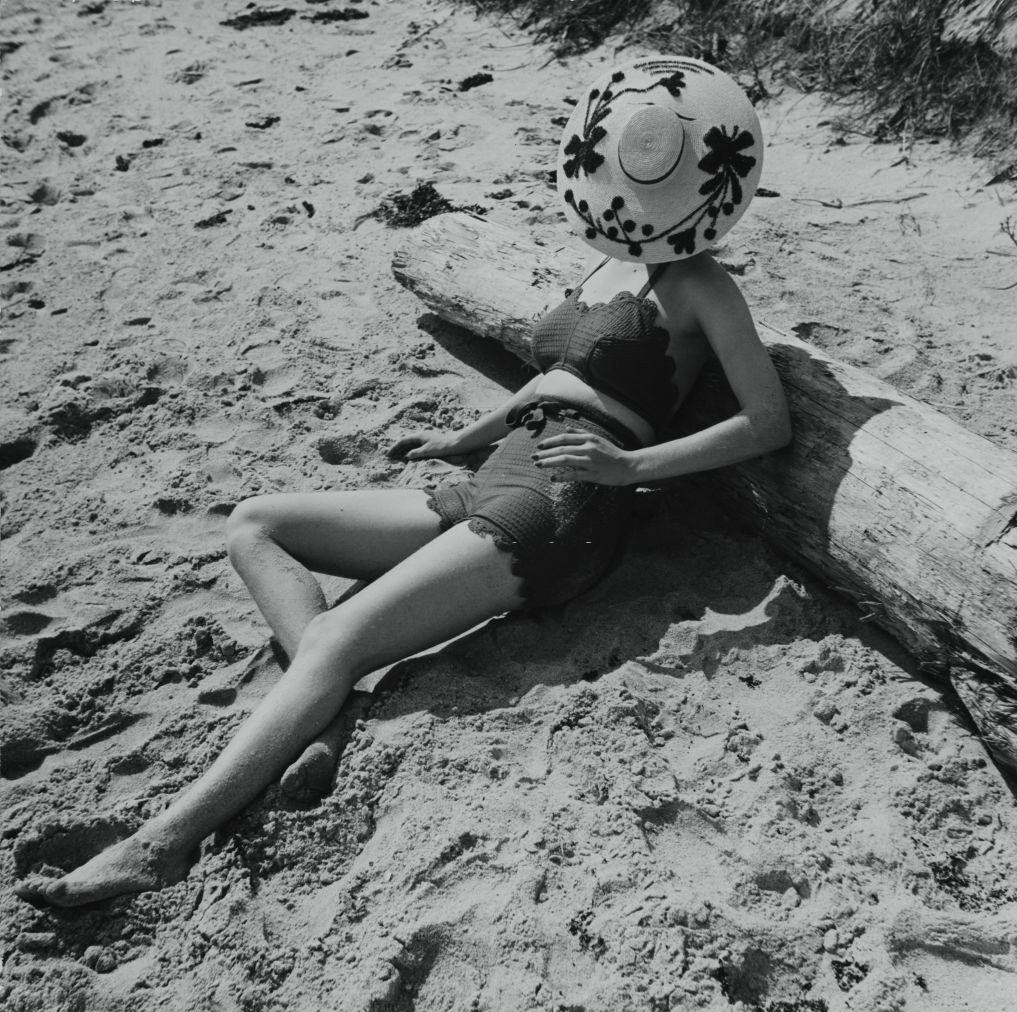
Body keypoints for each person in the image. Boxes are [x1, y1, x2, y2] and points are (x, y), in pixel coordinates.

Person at [15, 55, 790, 907]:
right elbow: (551, 381)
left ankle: (159, 844)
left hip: (566, 502)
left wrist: (630, 466)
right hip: (501, 471)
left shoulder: (703, 284)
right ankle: (330, 708)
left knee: (336, 640)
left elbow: (766, 421)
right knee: (256, 524)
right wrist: (461, 434)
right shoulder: (606, 259)